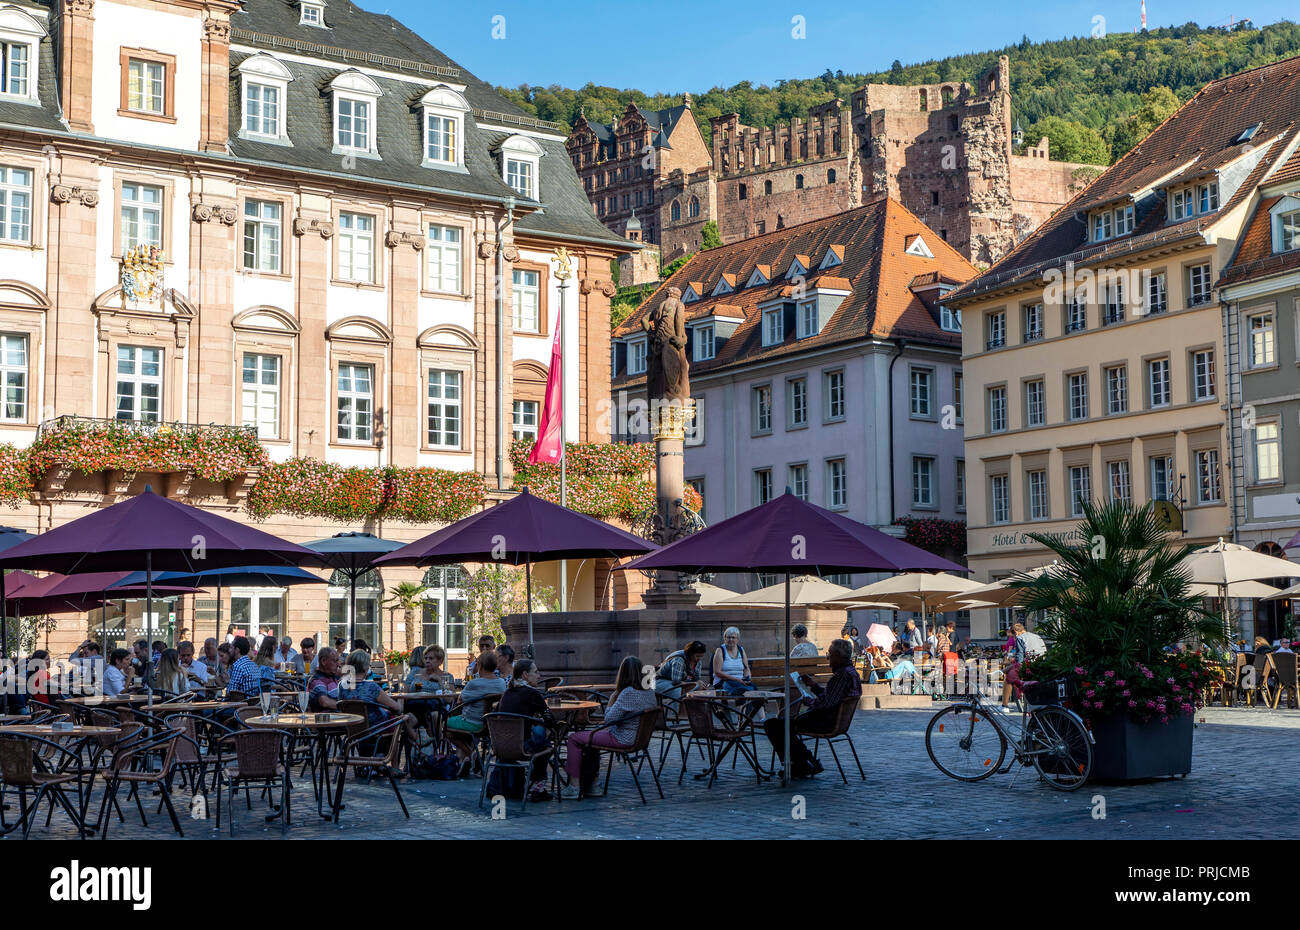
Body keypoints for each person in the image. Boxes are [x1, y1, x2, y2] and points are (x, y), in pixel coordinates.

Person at [763, 639, 862, 779]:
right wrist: (813, 685)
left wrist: (808, 701)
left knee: (773, 725)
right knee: (783, 724)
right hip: (831, 720)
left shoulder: (842, 675)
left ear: (838, 656)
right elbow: (831, 697)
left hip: (825, 722)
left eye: (830, 654)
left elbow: (826, 703)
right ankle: (805, 761)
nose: (828, 658)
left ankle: (799, 764)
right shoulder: (850, 672)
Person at [564, 655, 658, 796]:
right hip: (639, 740)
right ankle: (593, 784)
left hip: (622, 738)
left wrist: (612, 698)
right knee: (590, 740)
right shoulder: (650, 692)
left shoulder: (628, 693)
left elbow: (608, 719)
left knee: (573, 739)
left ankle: (574, 786)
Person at [496, 659, 558, 801]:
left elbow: (496, 713)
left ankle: (531, 784)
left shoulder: (507, 692)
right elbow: (550, 720)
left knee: (539, 736)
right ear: (525, 675)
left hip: (501, 747)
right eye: (535, 672)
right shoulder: (532, 694)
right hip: (521, 747)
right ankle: (538, 788)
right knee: (546, 745)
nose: (539, 676)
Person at [445, 651, 507, 773]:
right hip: (490, 724)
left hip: (472, 721)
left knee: (444, 726)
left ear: (480, 666)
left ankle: (472, 754)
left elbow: (459, 701)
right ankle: (464, 760)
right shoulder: (501, 683)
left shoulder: (474, 683)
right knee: (462, 732)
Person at [340, 650, 419, 742]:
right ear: (366, 668)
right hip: (377, 728)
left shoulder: (342, 686)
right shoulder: (371, 687)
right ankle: (420, 745)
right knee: (408, 717)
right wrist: (401, 695)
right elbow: (398, 708)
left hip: (353, 729)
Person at [1001, 622, 1046, 708]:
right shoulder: (1037, 636)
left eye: (1013, 637)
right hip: (1041, 665)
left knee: (1009, 678)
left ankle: (1004, 706)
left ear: (1016, 632)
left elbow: (1020, 661)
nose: (1013, 639)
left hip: (1030, 667)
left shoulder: (1020, 638)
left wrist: (1006, 669)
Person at [712, 626, 753, 695]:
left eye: (733, 637)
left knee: (753, 688)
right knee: (743, 690)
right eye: (728, 637)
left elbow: (746, 668)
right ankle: (741, 701)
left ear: (737, 639)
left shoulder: (741, 650)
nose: (730, 639)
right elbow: (717, 672)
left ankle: (745, 702)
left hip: (739, 682)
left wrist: (747, 678)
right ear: (724, 638)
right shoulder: (720, 650)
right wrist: (736, 679)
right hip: (724, 681)